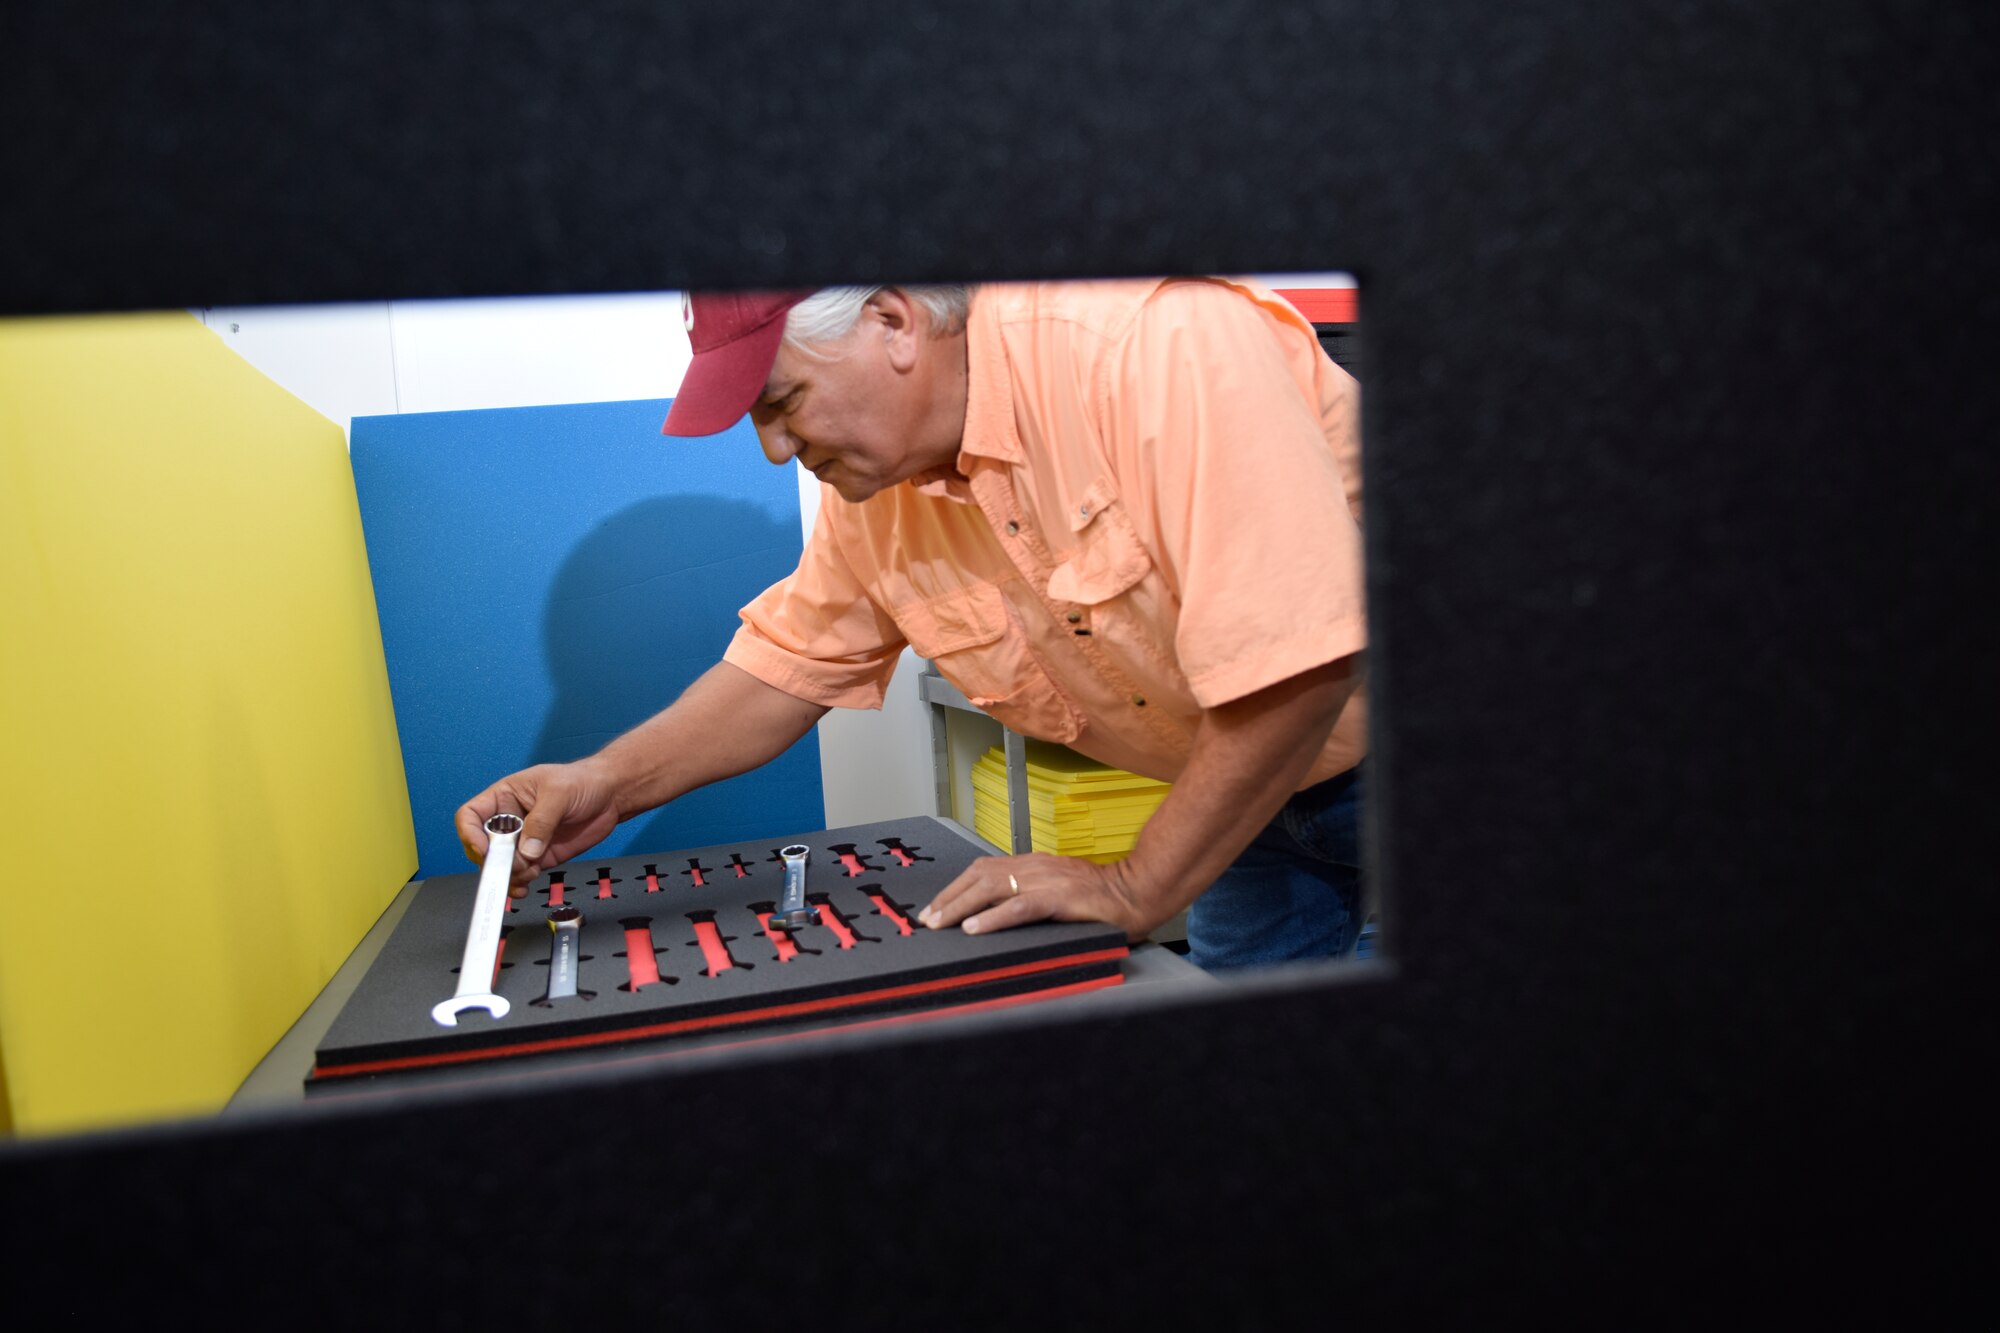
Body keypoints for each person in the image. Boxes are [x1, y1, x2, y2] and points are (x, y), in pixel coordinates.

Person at [457, 277, 1368, 970]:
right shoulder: (874, 495)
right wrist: (602, 783)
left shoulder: (1148, 341)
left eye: (781, 402)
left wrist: (1134, 887)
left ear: (891, 321)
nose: (775, 447)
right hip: (1249, 798)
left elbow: (1296, 662)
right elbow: (785, 666)